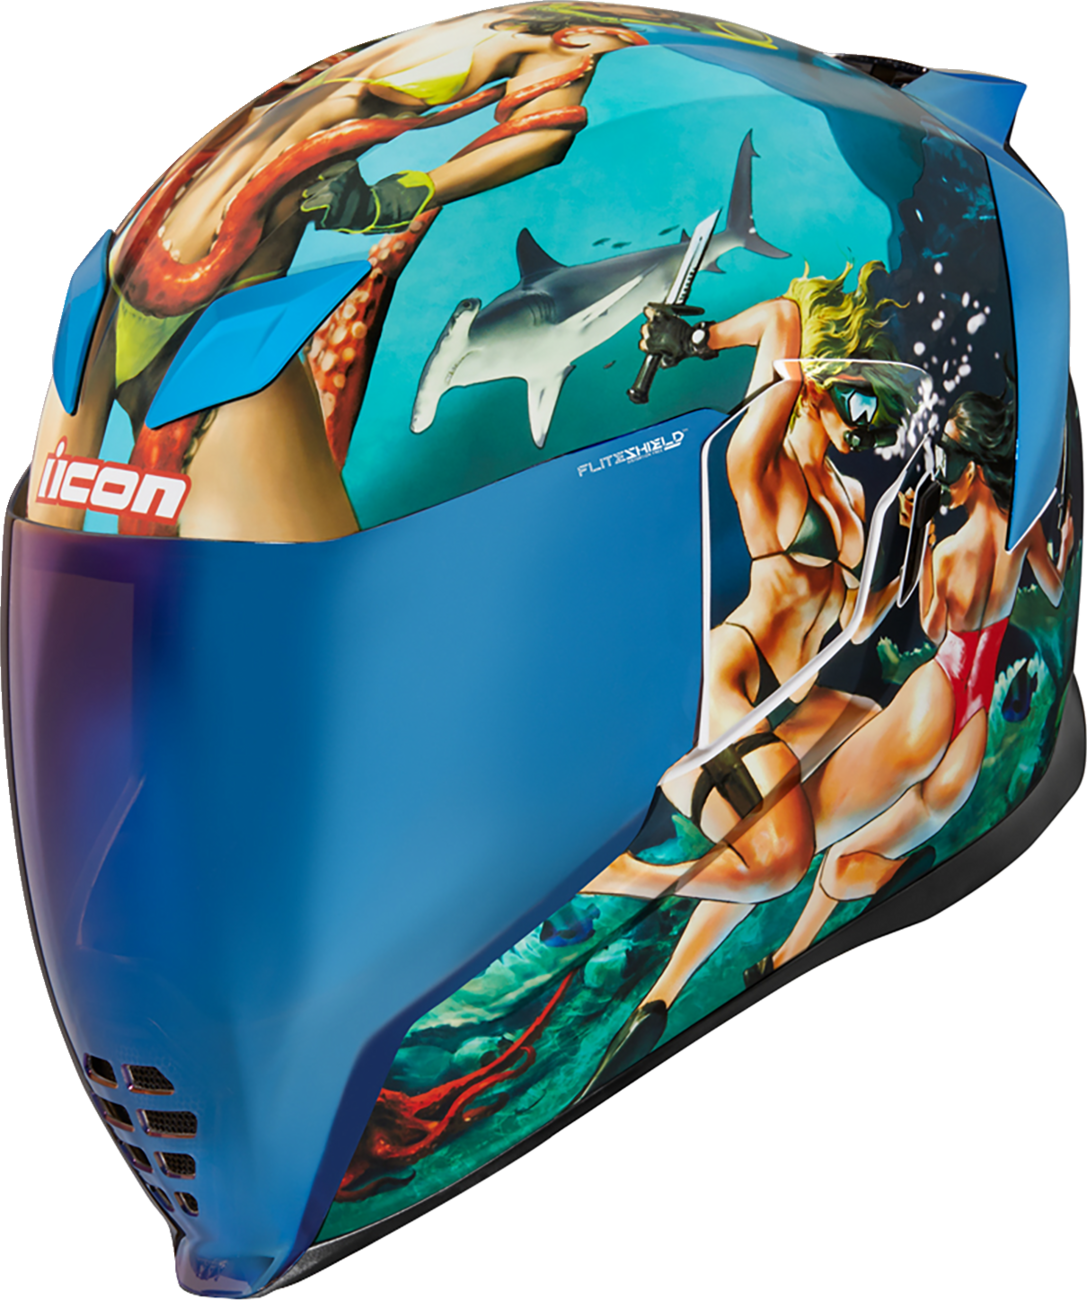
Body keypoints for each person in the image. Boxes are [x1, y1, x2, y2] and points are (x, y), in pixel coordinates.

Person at [27, 11, 646, 542]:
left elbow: (543, 138)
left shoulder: (564, 50)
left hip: (226, 316)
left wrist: (406, 194)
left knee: (260, 585)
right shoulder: (501, 33)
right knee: (64, 567)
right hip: (123, 282)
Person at [578, 262, 914, 1089]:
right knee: (781, 863)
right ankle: (622, 877)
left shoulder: (850, 492)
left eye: (870, 406)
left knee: (869, 748)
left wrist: (901, 558)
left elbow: (858, 621)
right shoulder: (763, 469)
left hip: (789, 695)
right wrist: (699, 339)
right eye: (849, 400)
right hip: (730, 685)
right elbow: (779, 322)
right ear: (814, 387)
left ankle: (662, 998)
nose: (862, 421)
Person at [746, 385, 1076, 982]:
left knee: (821, 828)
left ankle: (789, 921)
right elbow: (1053, 590)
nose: (940, 471)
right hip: (973, 721)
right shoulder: (1022, 530)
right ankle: (790, 955)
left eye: (948, 458)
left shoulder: (949, 551)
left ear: (973, 468)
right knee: (852, 856)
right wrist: (1067, 544)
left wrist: (919, 539)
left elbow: (930, 624)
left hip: (937, 694)